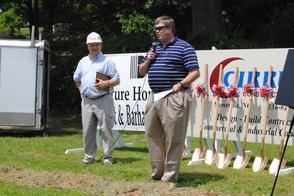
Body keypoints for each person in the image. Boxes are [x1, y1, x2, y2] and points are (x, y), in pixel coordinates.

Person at [139, 16, 200, 182]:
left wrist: (181, 84)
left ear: (170, 29)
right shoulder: (154, 48)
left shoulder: (184, 47)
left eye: (160, 28)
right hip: (154, 97)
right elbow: (141, 72)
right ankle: (157, 172)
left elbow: (195, 72)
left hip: (174, 96)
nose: (157, 31)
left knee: (174, 138)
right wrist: (148, 59)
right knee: (152, 134)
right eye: (156, 28)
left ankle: (170, 176)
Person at [73, 32, 120, 165]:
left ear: (101, 45)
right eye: (92, 45)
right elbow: (76, 79)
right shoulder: (82, 61)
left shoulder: (107, 61)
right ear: (87, 46)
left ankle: (108, 157)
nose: (94, 47)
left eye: (97, 45)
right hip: (87, 100)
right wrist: (81, 92)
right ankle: (89, 157)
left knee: (106, 129)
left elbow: (117, 80)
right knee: (88, 130)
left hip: (104, 98)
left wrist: (106, 84)